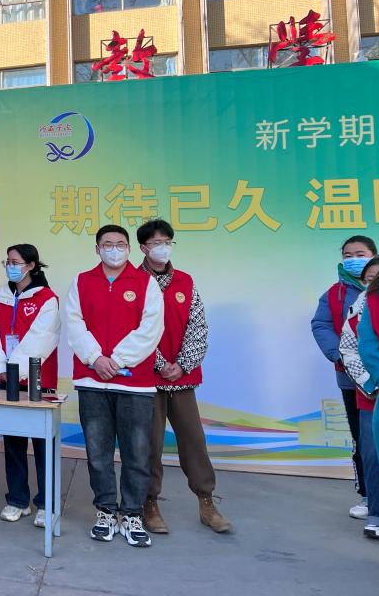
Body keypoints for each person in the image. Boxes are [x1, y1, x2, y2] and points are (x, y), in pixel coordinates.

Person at [63, 224, 163, 548]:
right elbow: (74, 324)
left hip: (135, 384)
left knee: (137, 453)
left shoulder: (146, 283)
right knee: (97, 453)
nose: (114, 250)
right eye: (107, 244)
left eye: (120, 244)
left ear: (129, 249)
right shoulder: (81, 282)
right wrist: (96, 359)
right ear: (97, 249)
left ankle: (132, 514)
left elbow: (151, 329)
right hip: (92, 382)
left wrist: (117, 360)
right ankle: (105, 510)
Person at [135, 219, 230, 535]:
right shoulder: (132, 281)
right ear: (143, 248)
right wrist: (160, 363)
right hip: (146, 379)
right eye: (155, 242)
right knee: (150, 444)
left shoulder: (185, 281)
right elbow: (132, 330)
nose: (162, 248)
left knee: (193, 440)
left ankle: (206, 502)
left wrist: (182, 364)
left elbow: (198, 325)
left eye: (167, 242)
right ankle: (149, 503)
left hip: (182, 378)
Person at [0, 243, 60, 529]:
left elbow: (41, 340)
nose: (10, 267)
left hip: (37, 380)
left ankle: (46, 504)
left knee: (42, 444)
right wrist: (0, 367)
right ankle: (17, 500)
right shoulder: (2, 296)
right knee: (13, 442)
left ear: (31, 266)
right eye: (8, 262)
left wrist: (12, 368)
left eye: (15, 262)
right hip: (6, 378)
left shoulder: (47, 299)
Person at [311, 235, 378, 519]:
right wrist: (341, 355)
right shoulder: (334, 294)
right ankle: (369, 496)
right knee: (363, 439)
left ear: (374, 255)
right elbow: (321, 324)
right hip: (352, 380)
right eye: (347, 255)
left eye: (360, 254)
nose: (353, 260)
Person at [341, 257, 379, 539]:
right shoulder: (369, 302)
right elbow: (356, 347)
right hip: (376, 394)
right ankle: (378, 514)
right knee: (374, 456)